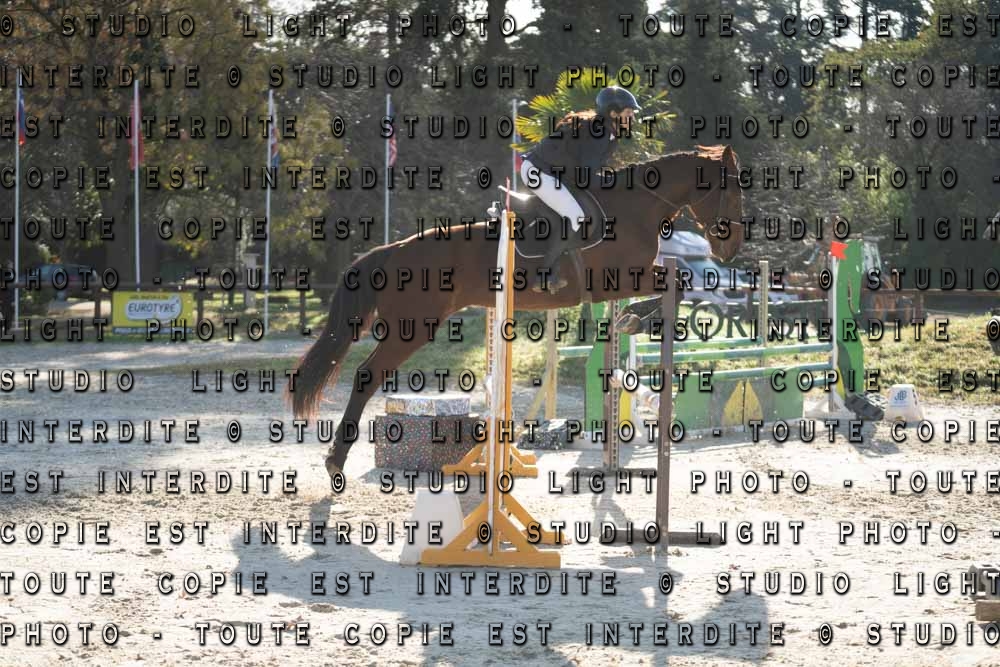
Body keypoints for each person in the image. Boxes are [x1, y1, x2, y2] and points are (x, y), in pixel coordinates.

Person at [519, 85, 641, 293]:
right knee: (577, 217)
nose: (633, 118)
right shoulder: (599, 133)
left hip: (555, 173)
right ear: (613, 113)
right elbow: (587, 179)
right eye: (629, 113)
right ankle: (544, 275)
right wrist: (619, 182)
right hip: (538, 173)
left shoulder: (607, 132)